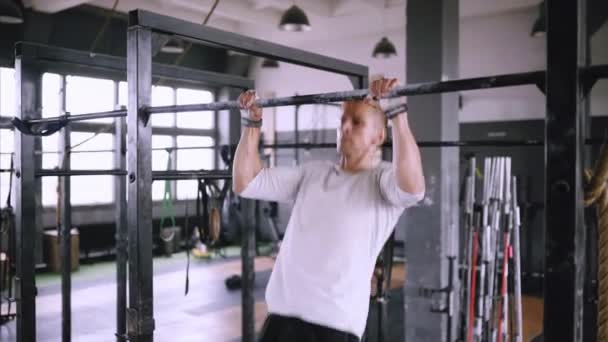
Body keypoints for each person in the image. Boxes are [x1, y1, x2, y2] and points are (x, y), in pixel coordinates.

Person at [233, 78, 425, 342]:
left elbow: (414, 189)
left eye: (356, 122)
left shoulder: (382, 181)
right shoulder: (313, 172)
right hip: (281, 320)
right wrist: (251, 124)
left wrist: (397, 115)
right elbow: (246, 183)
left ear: (379, 136)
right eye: (342, 120)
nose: (345, 127)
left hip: (334, 326)